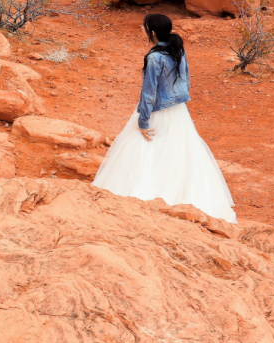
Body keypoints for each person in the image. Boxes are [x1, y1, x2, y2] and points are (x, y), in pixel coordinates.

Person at [93, 13, 236, 223]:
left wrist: (143, 121)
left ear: (151, 32)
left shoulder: (154, 57)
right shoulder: (177, 47)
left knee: (145, 149)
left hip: (157, 110)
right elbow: (185, 78)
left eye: (143, 27)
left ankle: (146, 196)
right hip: (178, 110)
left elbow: (149, 93)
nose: (141, 30)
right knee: (179, 151)